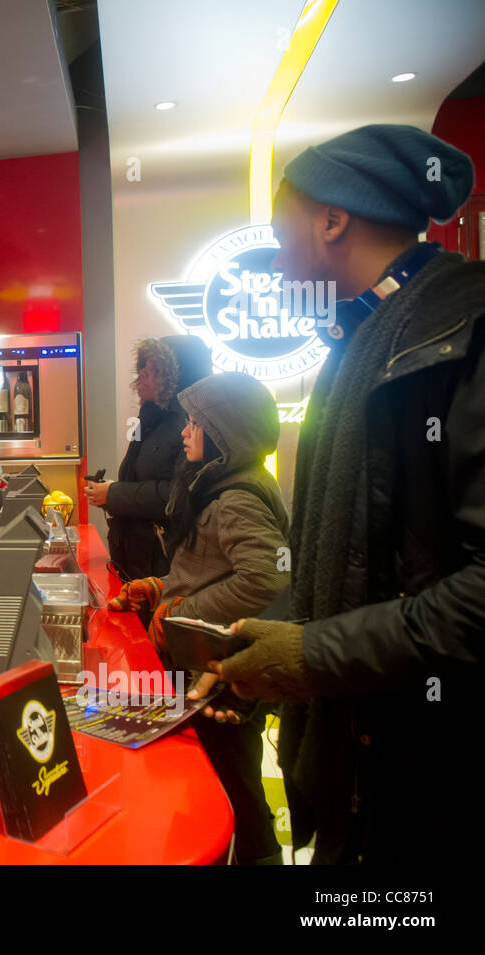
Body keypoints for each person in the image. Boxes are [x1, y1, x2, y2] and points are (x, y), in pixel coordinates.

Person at [212, 125, 483, 864]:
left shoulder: (467, 332)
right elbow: (352, 560)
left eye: (280, 233)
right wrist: (258, 638)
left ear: (332, 220)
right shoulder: (358, 348)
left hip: (429, 790)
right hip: (361, 778)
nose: (274, 258)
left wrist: (315, 657)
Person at [110, 371, 289, 865]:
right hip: (205, 662)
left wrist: (181, 614)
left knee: (237, 792)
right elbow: (208, 570)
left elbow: (266, 578)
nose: (185, 432)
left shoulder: (236, 497)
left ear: (225, 433)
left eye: (194, 422)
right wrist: (160, 589)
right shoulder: (218, 484)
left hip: (220, 671)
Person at [87, 335, 211, 581]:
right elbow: (142, 479)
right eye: (141, 368)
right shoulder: (152, 417)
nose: (140, 377)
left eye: (150, 371)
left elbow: (177, 495)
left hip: (164, 564)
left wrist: (114, 494)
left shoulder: (191, 426)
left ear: (174, 377)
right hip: (139, 559)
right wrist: (112, 491)